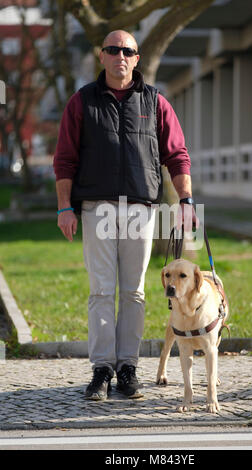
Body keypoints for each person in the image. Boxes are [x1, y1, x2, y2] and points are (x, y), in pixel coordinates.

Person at [53, 30, 197, 401]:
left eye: (128, 51)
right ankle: (102, 368)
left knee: (133, 291)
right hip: (96, 207)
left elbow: (176, 154)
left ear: (137, 58)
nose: (120, 55)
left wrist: (185, 201)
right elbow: (65, 158)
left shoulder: (155, 101)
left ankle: (128, 368)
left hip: (140, 208)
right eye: (113, 49)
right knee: (101, 289)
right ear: (102, 56)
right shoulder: (82, 102)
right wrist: (65, 207)